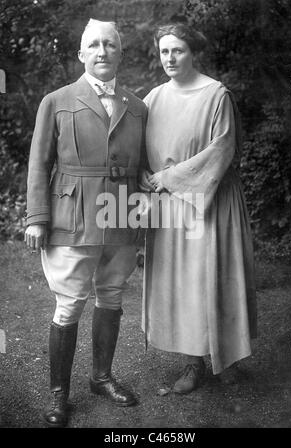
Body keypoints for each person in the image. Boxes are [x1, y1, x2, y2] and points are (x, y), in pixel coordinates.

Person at [24, 19, 147, 427]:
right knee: (69, 303)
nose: (102, 52)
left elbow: (144, 167)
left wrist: (145, 208)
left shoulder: (137, 105)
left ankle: (101, 377)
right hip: (72, 215)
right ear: (81, 54)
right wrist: (37, 218)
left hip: (121, 215)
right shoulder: (56, 101)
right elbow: (39, 164)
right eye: (93, 45)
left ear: (120, 53)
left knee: (111, 295)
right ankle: (60, 395)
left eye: (110, 45)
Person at [140, 23, 257, 394]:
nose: (170, 59)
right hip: (172, 208)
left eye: (178, 51)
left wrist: (170, 177)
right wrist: (146, 177)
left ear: (193, 52)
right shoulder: (152, 99)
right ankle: (194, 363)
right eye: (164, 52)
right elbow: (137, 154)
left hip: (212, 198)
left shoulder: (215, 94)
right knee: (183, 285)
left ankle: (228, 358)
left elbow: (221, 149)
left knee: (216, 276)